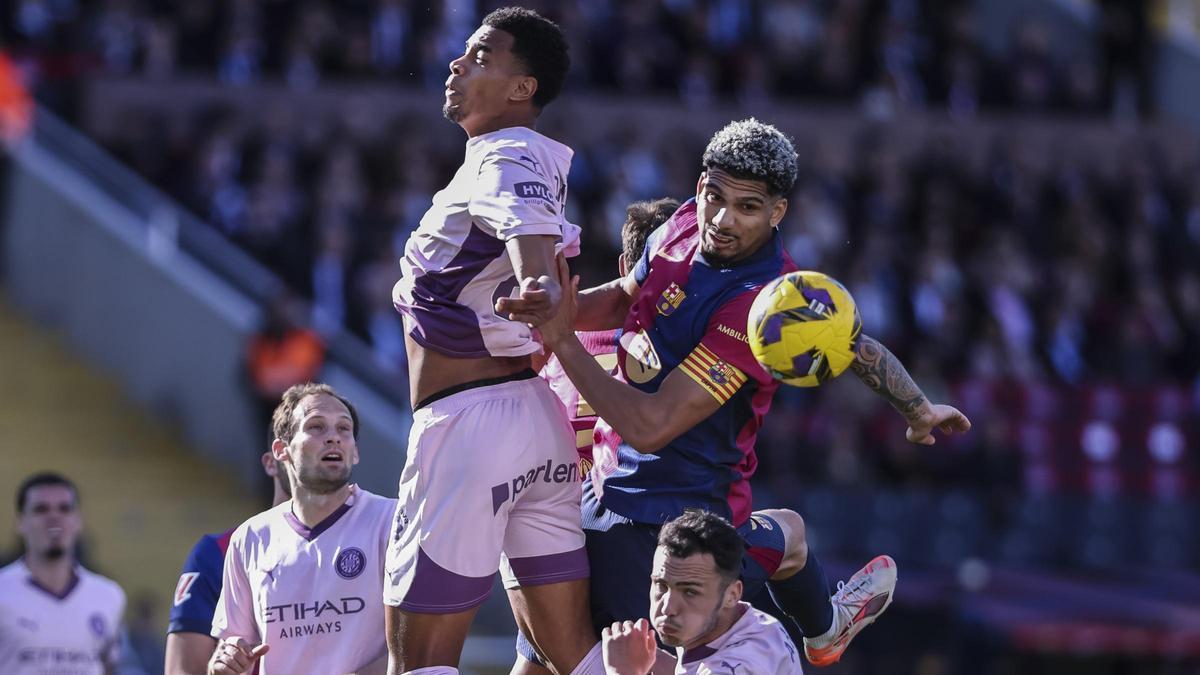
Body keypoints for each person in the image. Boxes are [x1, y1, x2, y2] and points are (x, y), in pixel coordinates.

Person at [529, 118, 969, 667]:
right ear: (699, 188)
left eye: (747, 207)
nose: (723, 219)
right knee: (789, 533)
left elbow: (651, 425)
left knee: (607, 663)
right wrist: (551, 312)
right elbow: (624, 295)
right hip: (605, 491)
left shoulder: (759, 301)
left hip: (672, 530)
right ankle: (827, 628)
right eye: (715, 197)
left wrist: (560, 340)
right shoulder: (683, 225)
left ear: (777, 212)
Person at [387, 7, 599, 674]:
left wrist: (537, 278)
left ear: (521, 88)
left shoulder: (506, 153)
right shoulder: (514, 158)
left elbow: (528, 240)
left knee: (419, 662)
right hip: (534, 423)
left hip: (469, 429)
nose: (456, 62)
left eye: (480, 56)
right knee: (577, 661)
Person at [207, 383, 395, 675]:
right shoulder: (251, 538)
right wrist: (224, 665)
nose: (333, 437)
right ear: (282, 450)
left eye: (344, 429)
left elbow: (421, 644)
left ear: (355, 452)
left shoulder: (392, 520)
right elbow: (233, 648)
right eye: (316, 427)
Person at [602, 511, 803, 674]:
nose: (667, 607)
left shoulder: (741, 665)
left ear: (732, 594)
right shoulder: (757, 625)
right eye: (661, 585)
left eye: (690, 592)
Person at [165, 450, 293, 675]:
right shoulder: (218, 552)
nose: (325, 443)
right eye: (313, 429)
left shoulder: (370, 546)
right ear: (272, 463)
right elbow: (181, 670)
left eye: (342, 429)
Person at [0, 473, 126, 674]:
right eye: (41, 509)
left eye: (65, 508)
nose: (54, 517)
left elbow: (109, 666)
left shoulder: (109, 595)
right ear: (20, 522)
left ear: (78, 521)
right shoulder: (3, 592)